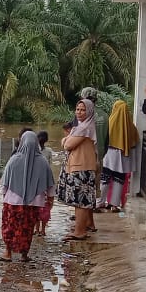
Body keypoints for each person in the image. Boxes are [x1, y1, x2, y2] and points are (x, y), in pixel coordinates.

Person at [0, 130, 52, 262]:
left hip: (13, 200)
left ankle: (8, 252)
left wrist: (4, 195)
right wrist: (50, 199)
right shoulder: (43, 162)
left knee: (10, 226)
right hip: (33, 202)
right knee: (27, 228)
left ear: (21, 142)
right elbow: (50, 183)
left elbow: (5, 182)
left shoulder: (14, 160)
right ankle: (24, 254)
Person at [59, 99, 99, 241]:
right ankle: (81, 227)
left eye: (83, 110)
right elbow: (67, 141)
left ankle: (80, 231)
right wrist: (67, 139)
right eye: (77, 109)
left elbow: (67, 144)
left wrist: (66, 139)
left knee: (81, 200)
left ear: (89, 111)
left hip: (82, 167)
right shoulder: (81, 126)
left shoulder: (85, 128)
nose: (79, 112)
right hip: (80, 166)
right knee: (79, 200)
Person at [101, 100, 140, 213]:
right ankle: (114, 204)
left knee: (105, 179)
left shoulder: (110, 123)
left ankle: (100, 202)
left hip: (109, 156)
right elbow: (136, 140)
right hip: (124, 158)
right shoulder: (131, 127)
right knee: (119, 180)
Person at [35, 131, 54, 236]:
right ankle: (42, 230)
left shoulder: (34, 151)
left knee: (36, 206)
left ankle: (37, 229)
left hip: (36, 183)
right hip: (45, 183)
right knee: (44, 207)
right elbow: (50, 168)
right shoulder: (49, 151)